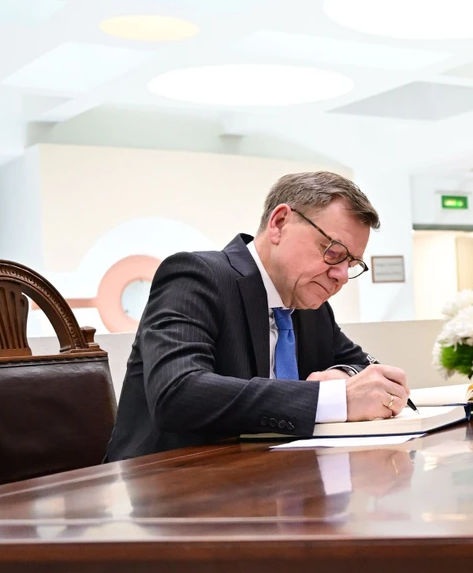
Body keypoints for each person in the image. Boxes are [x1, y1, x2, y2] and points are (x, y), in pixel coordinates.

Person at [106, 171, 413, 461]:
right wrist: (331, 398)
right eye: (333, 252)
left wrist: (343, 376)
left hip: (271, 483)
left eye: (352, 263)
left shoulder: (310, 307)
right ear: (279, 223)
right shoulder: (196, 277)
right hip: (168, 488)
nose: (342, 276)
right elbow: (178, 393)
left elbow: (362, 365)